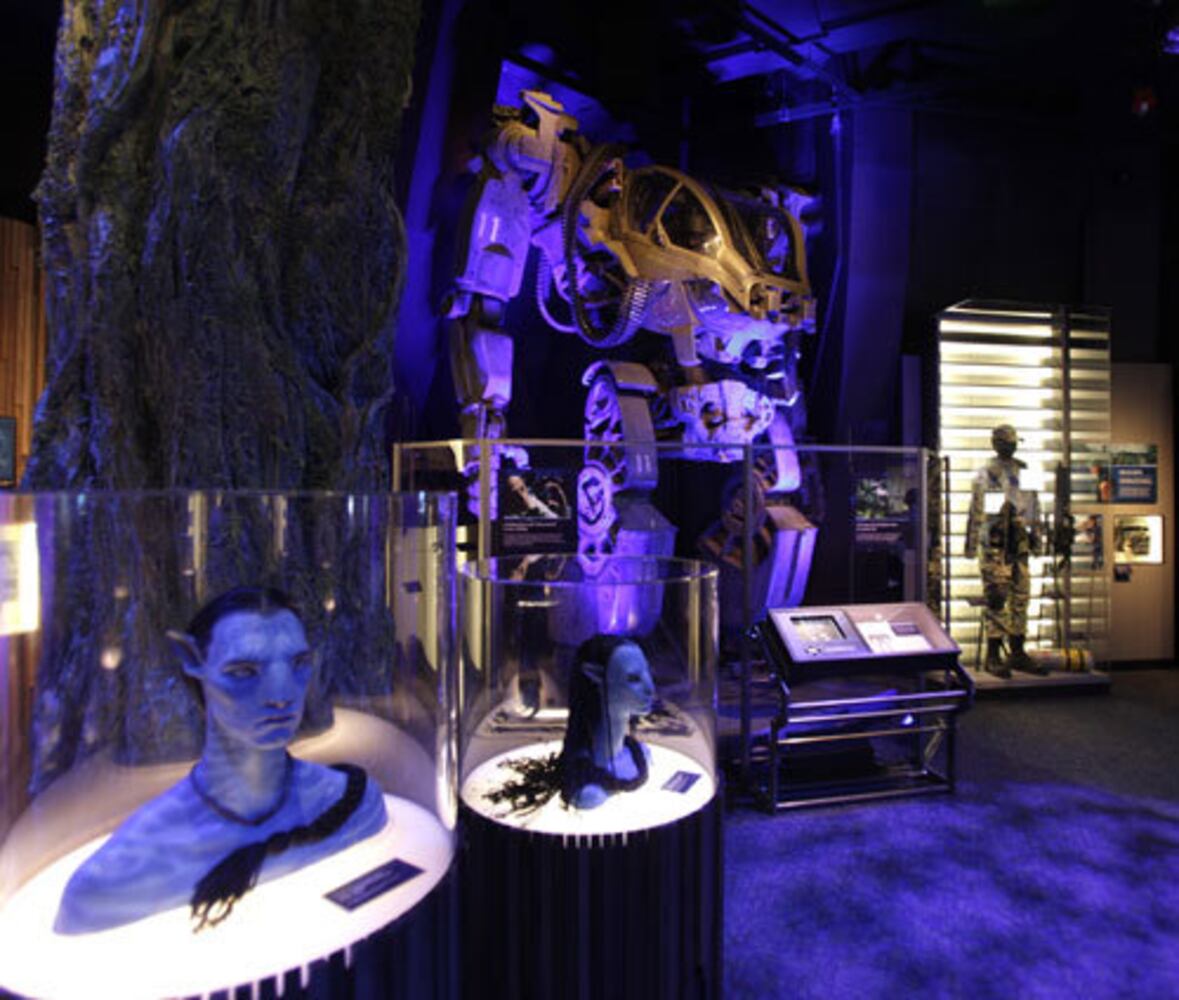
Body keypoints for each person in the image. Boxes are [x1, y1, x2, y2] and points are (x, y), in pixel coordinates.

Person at [55, 586, 387, 934]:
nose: (281, 696)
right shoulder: (115, 876)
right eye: (243, 671)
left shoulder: (352, 802)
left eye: (298, 664)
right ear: (191, 659)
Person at [964, 425, 1046, 679]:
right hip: (995, 545)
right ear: (995, 444)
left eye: (1013, 442)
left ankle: (1017, 651)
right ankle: (993, 654)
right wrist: (971, 545)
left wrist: (1037, 539)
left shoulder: (1025, 470)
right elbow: (976, 510)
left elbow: (1034, 507)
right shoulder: (986, 472)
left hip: (1019, 544)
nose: (1010, 447)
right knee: (997, 597)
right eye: (1005, 442)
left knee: (1021, 597)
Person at [559, 635, 656, 809]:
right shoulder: (588, 791)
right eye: (633, 679)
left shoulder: (640, 754)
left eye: (648, 672)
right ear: (596, 676)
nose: (651, 688)